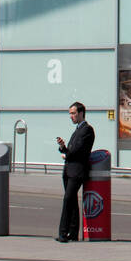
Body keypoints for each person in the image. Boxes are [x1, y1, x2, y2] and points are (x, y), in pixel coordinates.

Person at [55, 101, 94, 242]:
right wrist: (63, 147)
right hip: (69, 170)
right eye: (70, 114)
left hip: (77, 171)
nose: (71, 116)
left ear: (81, 113)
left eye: (73, 113)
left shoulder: (87, 130)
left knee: (67, 200)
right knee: (71, 201)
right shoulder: (77, 130)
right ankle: (72, 232)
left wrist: (66, 152)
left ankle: (63, 233)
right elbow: (72, 149)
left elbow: (77, 151)